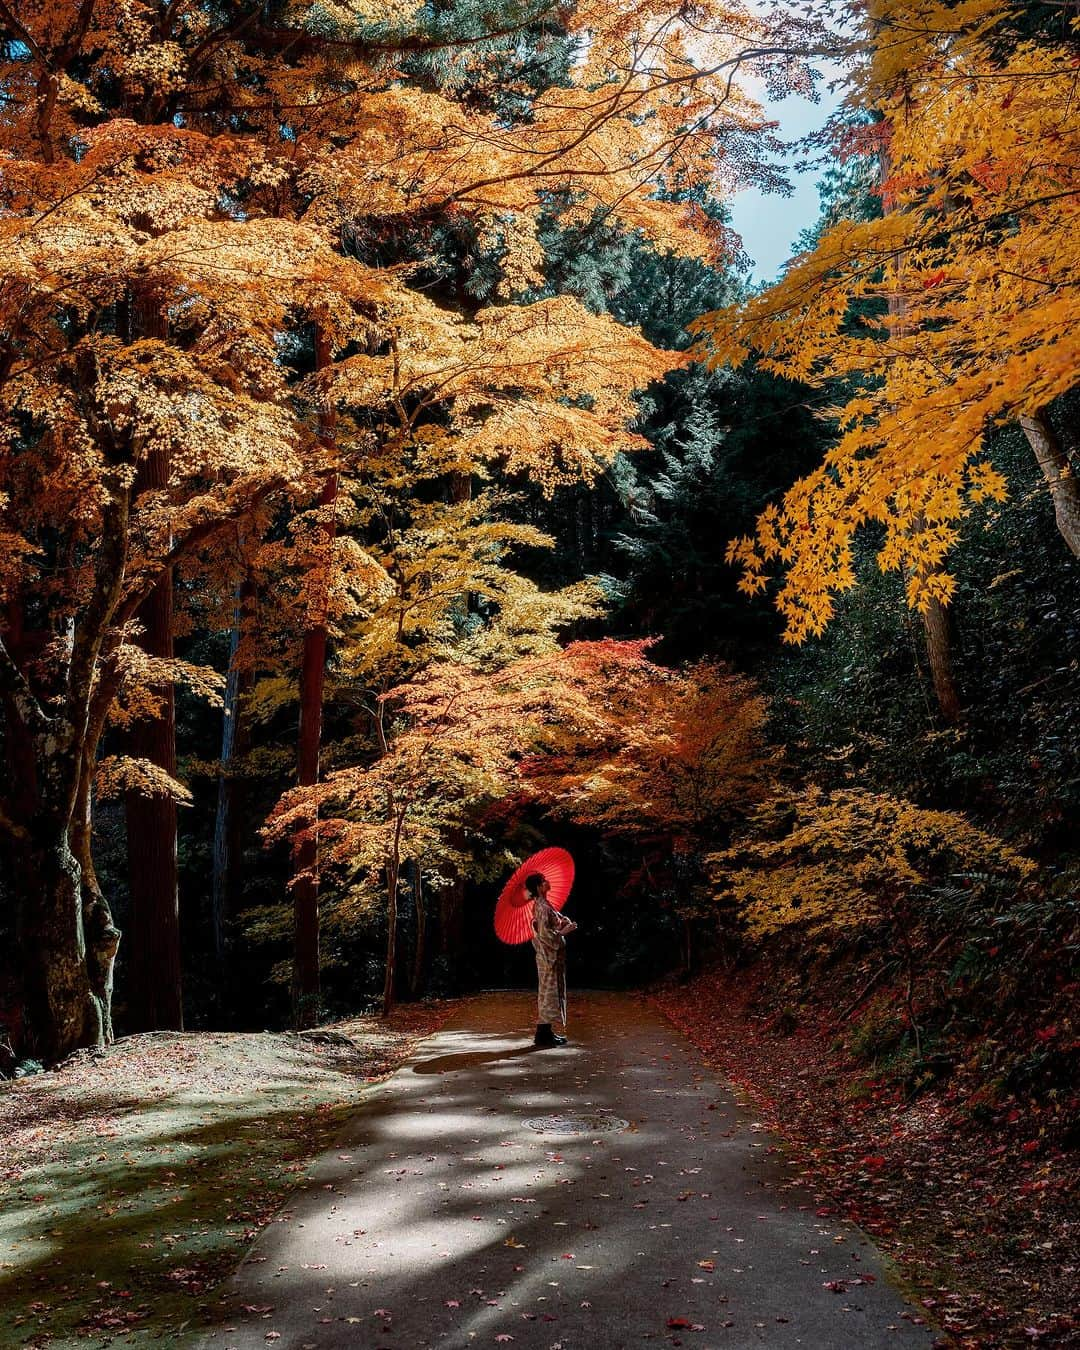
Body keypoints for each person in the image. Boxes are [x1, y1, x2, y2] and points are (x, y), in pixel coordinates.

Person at [526, 872, 577, 1048]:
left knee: (551, 993)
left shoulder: (545, 904)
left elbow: (550, 923)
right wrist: (564, 931)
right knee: (548, 993)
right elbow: (545, 934)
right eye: (544, 881)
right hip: (548, 956)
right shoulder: (540, 906)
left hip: (552, 956)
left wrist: (563, 921)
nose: (547, 882)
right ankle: (542, 1036)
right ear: (539, 887)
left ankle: (546, 1032)